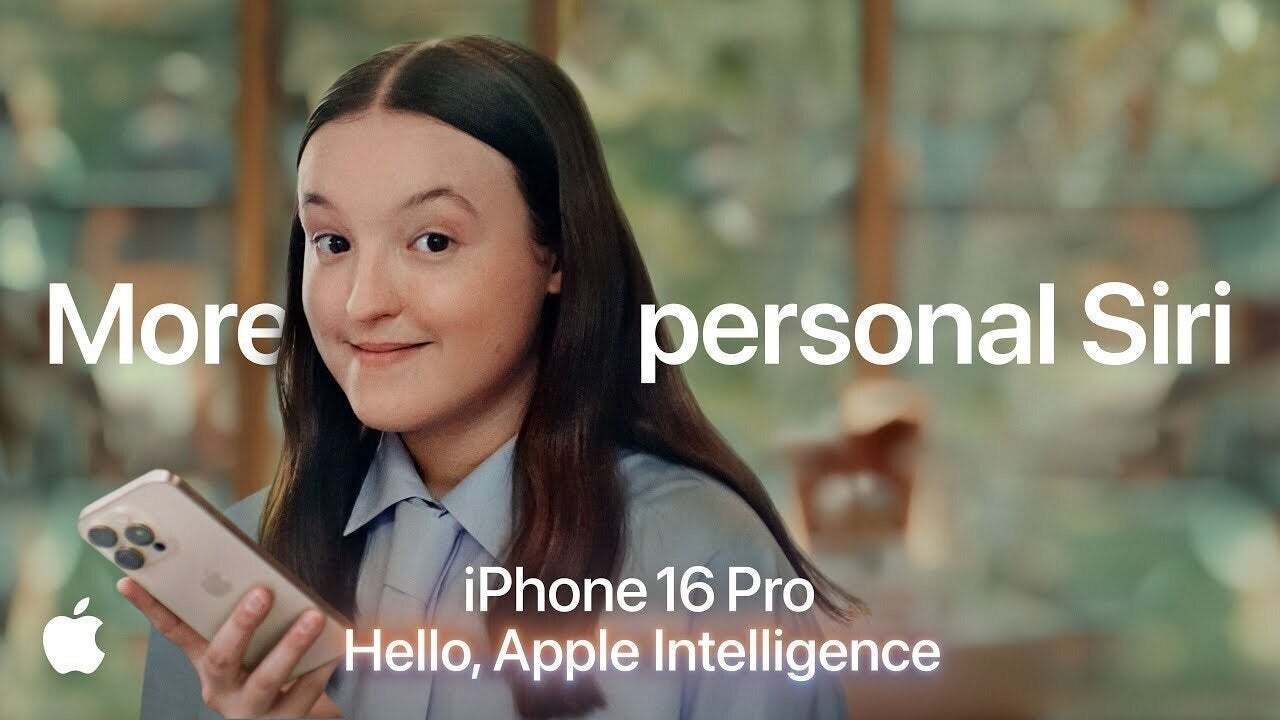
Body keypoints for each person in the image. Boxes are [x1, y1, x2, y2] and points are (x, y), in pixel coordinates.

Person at [120, 35, 860, 720]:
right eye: (333, 242)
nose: (363, 302)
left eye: (432, 240)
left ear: (557, 254)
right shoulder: (239, 578)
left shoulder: (702, 560)